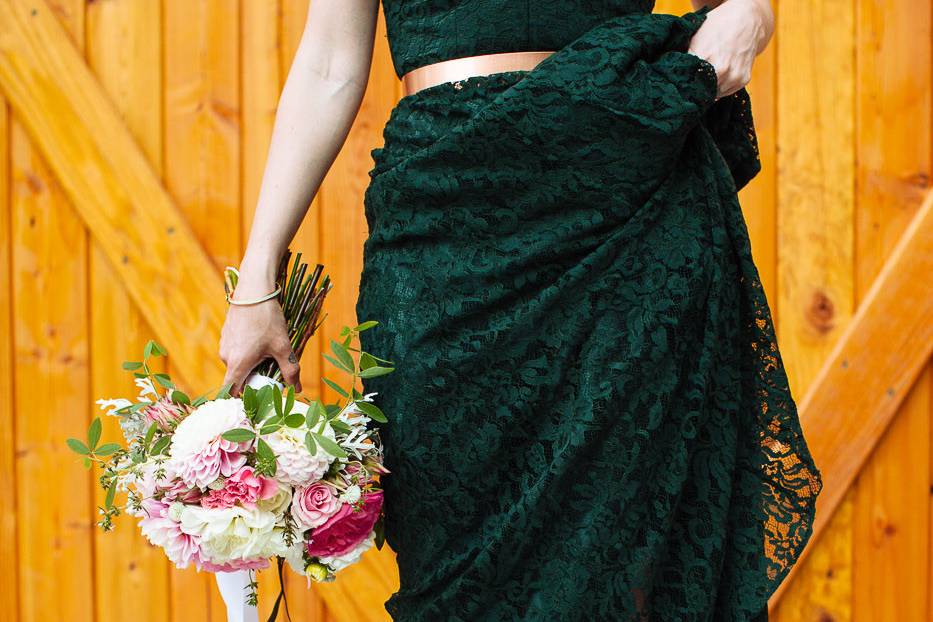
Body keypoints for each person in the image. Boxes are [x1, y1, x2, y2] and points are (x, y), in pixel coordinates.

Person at [220, 0, 823, 620]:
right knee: (447, 547)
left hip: (623, 207)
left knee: (626, 558)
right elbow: (329, 66)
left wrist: (751, 15)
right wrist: (257, 279)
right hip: (443, 220)